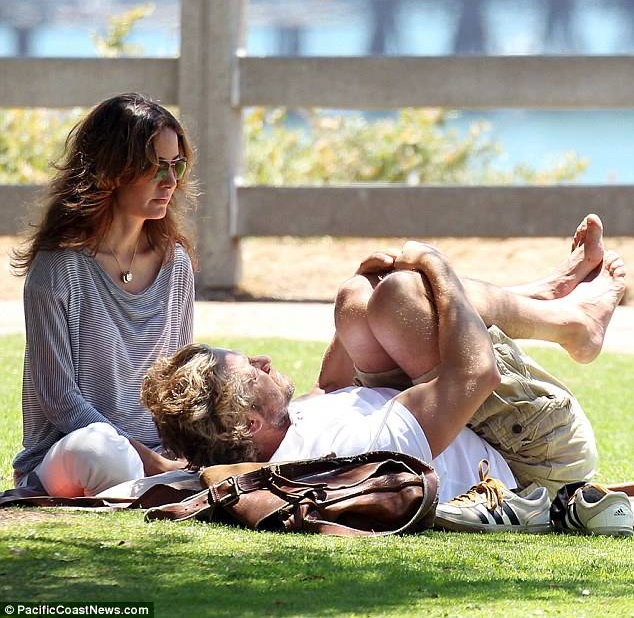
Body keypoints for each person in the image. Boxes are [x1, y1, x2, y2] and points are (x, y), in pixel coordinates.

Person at [140, 217, 626, 512]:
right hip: (536, 458)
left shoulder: (279, 442)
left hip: (479, 422)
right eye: (252, 370)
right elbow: (477, 376)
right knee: (405, 293)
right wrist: (437, 267)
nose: (264, 360)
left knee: (359, 298)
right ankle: (570, 320)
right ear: (249, 423)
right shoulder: (350, 453)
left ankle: (550, 301)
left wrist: (359, 282)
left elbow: (331, 386)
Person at [11, 92, 197, 497]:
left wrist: (181, 451)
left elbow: (177, 381)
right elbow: (60, 400)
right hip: (77, 451)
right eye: (155, 166)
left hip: (159, 455)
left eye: (177, 165)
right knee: (102, 453)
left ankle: (160, 483)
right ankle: (156, 483)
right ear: (112, 169)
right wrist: (150, 461)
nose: (170, 181)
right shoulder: (58, 268)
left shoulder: (176, 263)